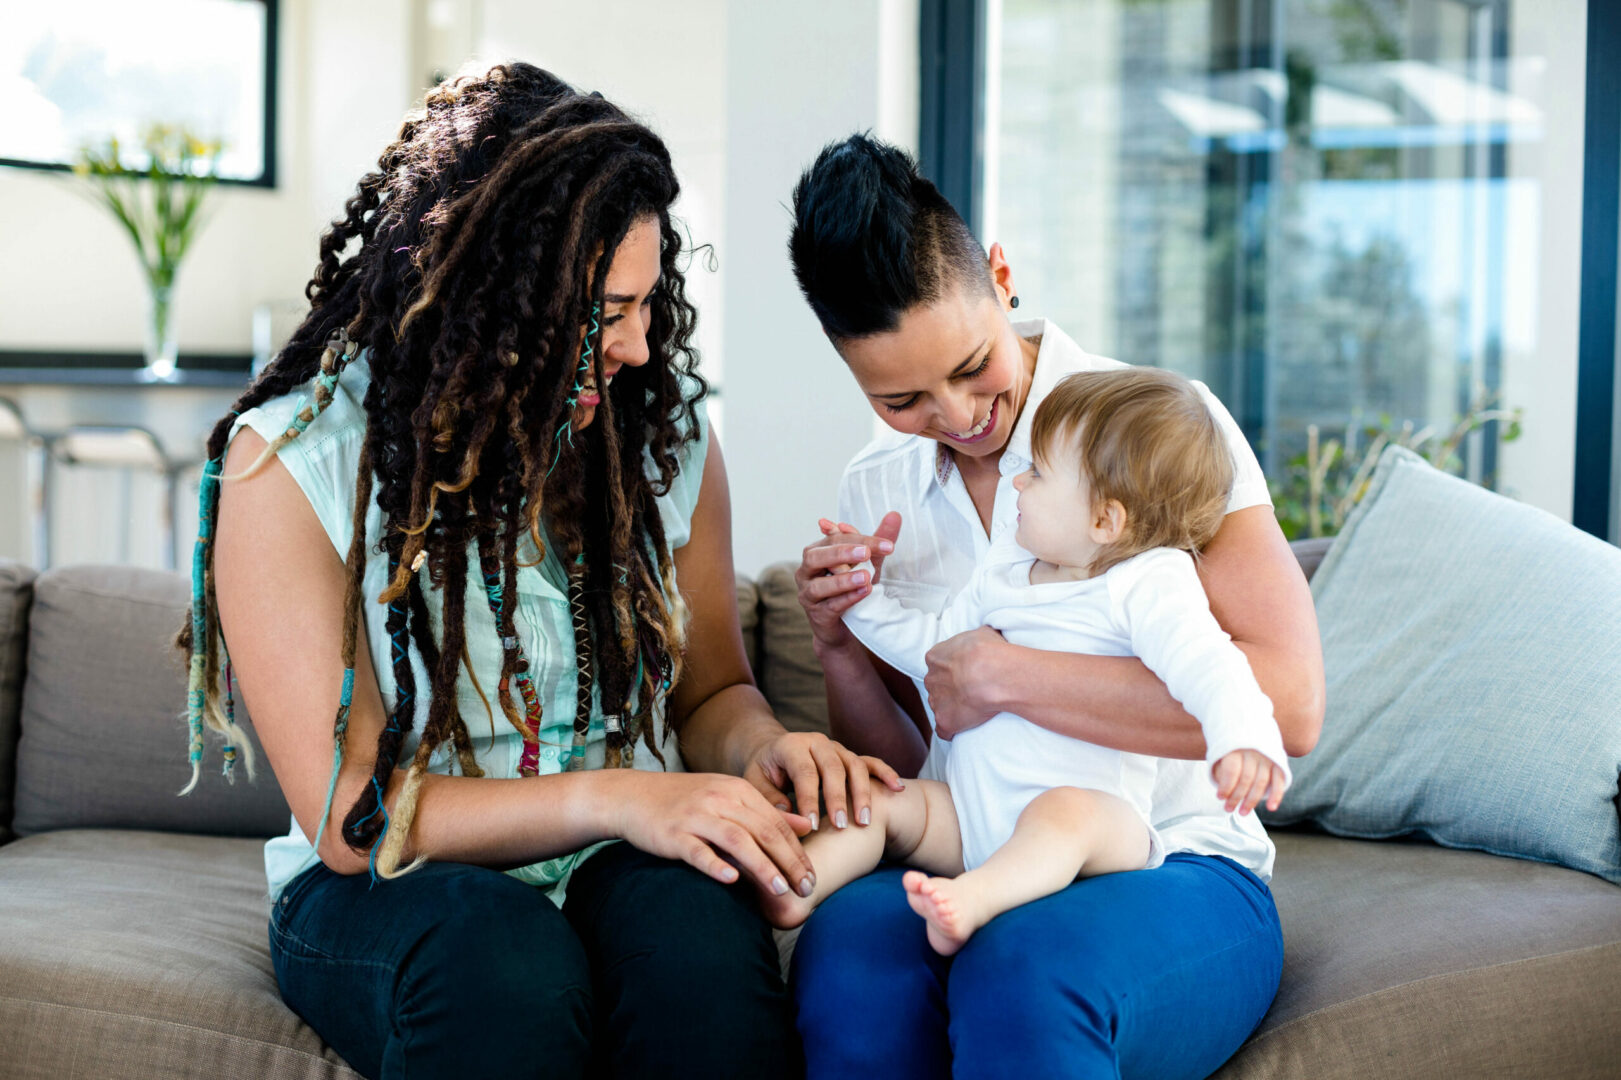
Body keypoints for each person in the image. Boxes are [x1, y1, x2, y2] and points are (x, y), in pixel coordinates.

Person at [178, 64, 899, 1080]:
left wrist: (766, 746)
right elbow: (357, 817)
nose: (643, 348)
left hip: (618, 854)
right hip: (390, 886)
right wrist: (618, 798)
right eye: (607, 313)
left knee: (700, 952)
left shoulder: (662, 435)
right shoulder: (293, 461)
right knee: (506, 967)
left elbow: (713, 695)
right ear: (491, 298)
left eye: (649, 305)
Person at [787, 134, 1325, 1079]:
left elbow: (1289, 707)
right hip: (977, 841)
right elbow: (912, 767)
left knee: (1027, 971)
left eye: (971, 365)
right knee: (850, 965)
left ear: (1001, 280)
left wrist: (1009, 675)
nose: (955, 417)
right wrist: (837, 643)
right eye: (902, 397)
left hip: (1167, 857)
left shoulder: (1154, 431)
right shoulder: (878, 489)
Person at [758, 367, 1291, 957]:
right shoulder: (1006, 573)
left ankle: (976, 902)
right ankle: (790, 887)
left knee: (1064, 813)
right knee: (886, 804)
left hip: (1097, 832)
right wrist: (858, 600)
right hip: (972, 821)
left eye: (1037, 473)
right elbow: (934, 646)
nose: (1016, 485)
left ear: (1104, 520)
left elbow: (1207, 663)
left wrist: (1242, 736)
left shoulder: (1147, 582)